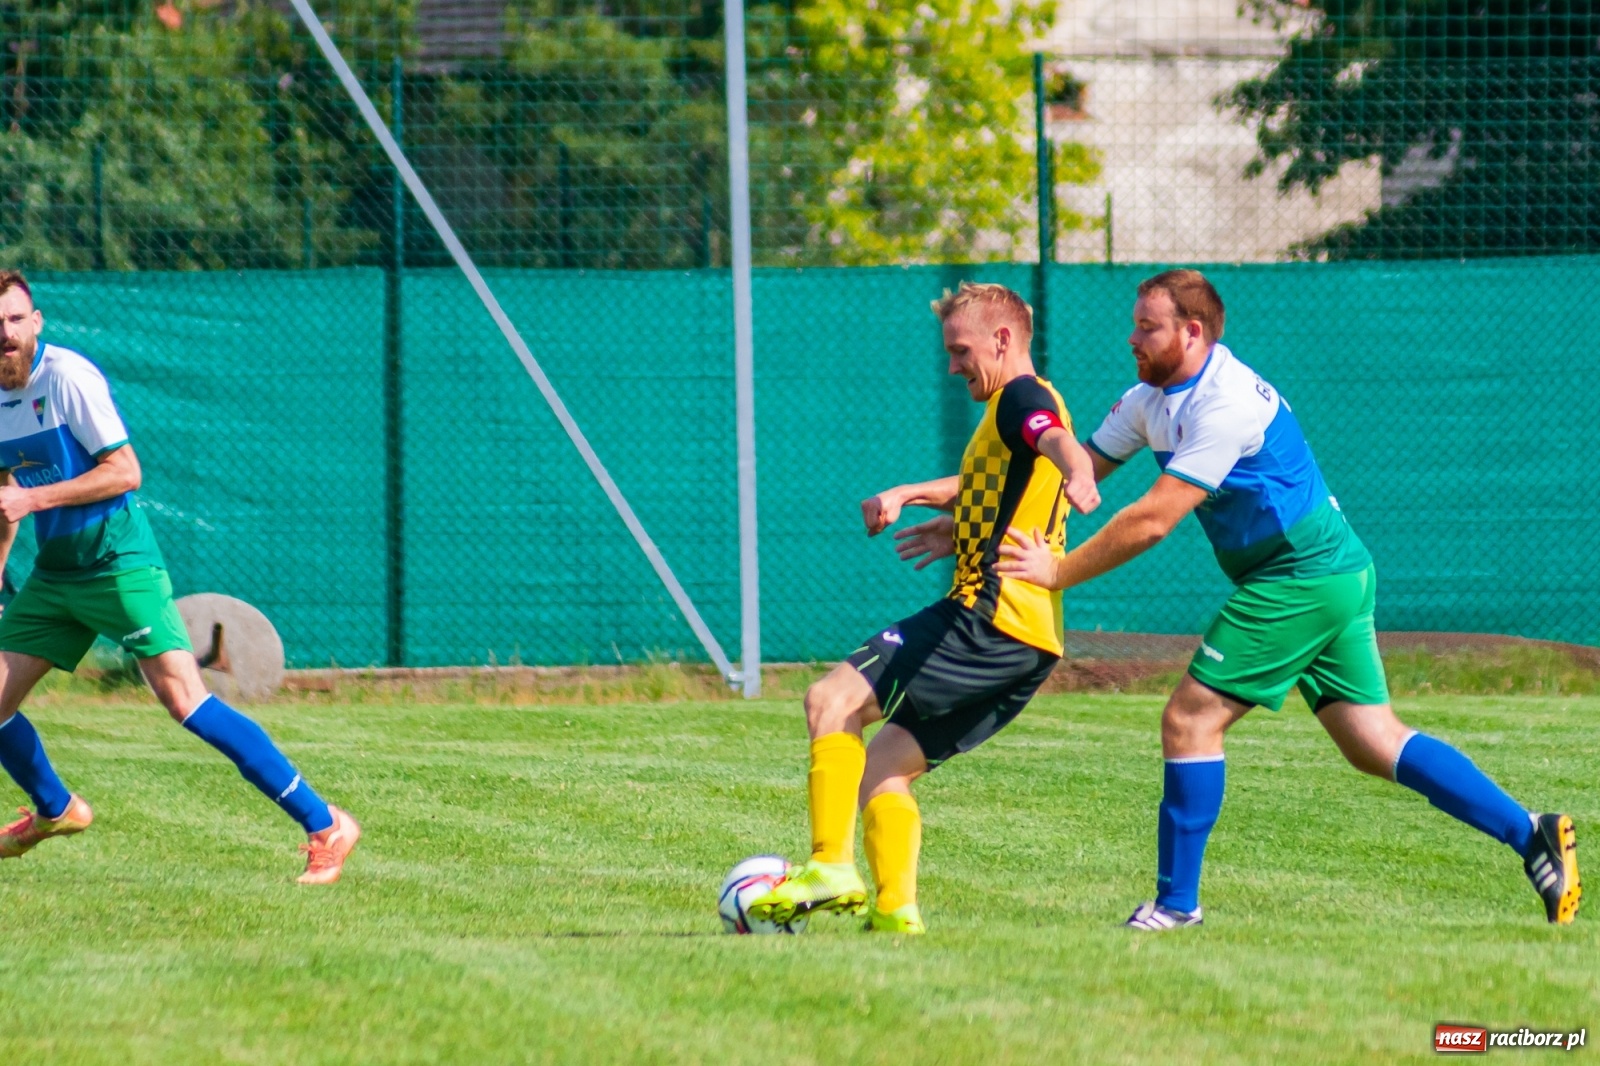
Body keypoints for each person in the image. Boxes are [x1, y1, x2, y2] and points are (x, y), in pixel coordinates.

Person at [994, 268, 1579, 928]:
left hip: (1300, 575)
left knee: (1190, 720)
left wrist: (1057, 571)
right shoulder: (1149, 399)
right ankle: (1530, 831)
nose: (1131, 337)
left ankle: (1176, 906)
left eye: (1147, 327)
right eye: (1134, 324)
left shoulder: (1227, 401)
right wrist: (952, 503)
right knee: (1373, 742)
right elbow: (1074, 469)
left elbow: (1153, 519)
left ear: (1191, 332)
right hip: (1332, 571)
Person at [747, 282, 1100, 934]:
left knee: (831, 700)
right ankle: (895, 911)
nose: (952, 366)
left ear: (1002, 339)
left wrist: (1079, 470)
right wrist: (914, 495)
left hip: (985, 616)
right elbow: (992, 482)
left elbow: (1052, 442)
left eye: (960, 350)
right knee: (882, 767)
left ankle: (829, 866)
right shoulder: (1015, 413)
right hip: (1031, 641)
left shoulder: (1022, 397)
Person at [0, 270, 359, 884]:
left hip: (119, 565)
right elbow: (6, 493)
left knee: (184, 702)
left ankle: (326, 824)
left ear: (36, 323)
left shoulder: (67, 378)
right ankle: (57, 810)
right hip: (56, 577)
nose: (5, 333)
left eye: (14, 319)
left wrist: (35, 502)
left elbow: (125, 472)